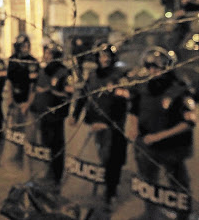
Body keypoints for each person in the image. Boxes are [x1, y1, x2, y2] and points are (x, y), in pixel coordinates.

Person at [127, 46, 195, 220]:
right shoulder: (143, 87)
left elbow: (189, 122)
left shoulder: (180, 89)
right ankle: (151, 214)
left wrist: (158, 137)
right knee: (149, 184)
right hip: (146, 147)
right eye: (149, 67)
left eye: (157, 66)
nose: (153, 70)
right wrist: (133, 128)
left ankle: (183, 216)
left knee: (178, 185)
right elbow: (134, 111)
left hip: (172, 148)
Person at [71, 42, 130, 206]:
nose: (104, 59)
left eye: (107, 56)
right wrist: (75, 115)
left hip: (112, 126)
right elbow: (83, 95)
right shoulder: (93, 75)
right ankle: (96, 187)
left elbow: (124, 102)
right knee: (96, 159)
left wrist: (107, 123)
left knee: (112, 160)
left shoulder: (119, 76)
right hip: (94, 123)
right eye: (101, 56)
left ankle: (110, 192)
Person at [29, 43, 72, 191]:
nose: (47, 56)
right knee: (46, 145)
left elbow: (68, 94)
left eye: (50, 54)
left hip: (56, 115)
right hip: (43, 114)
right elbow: (36, 88)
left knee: (56, 146)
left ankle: (56, 177)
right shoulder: (43, 70)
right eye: (46, 53)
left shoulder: (64, 72)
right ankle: (48, 173)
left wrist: (51, 90)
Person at [1, 35, 38, 169]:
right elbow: (9, 80)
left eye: (27, 46)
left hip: (26, 100)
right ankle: (12, 158)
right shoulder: (12, 60)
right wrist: (10, 97)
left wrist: (28, 103)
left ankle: (24, 160)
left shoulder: (32, 62)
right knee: (13, 130)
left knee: (26, 132)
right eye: (23, 46)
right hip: (14, 99)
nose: (25, 48)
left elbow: (33, 86)